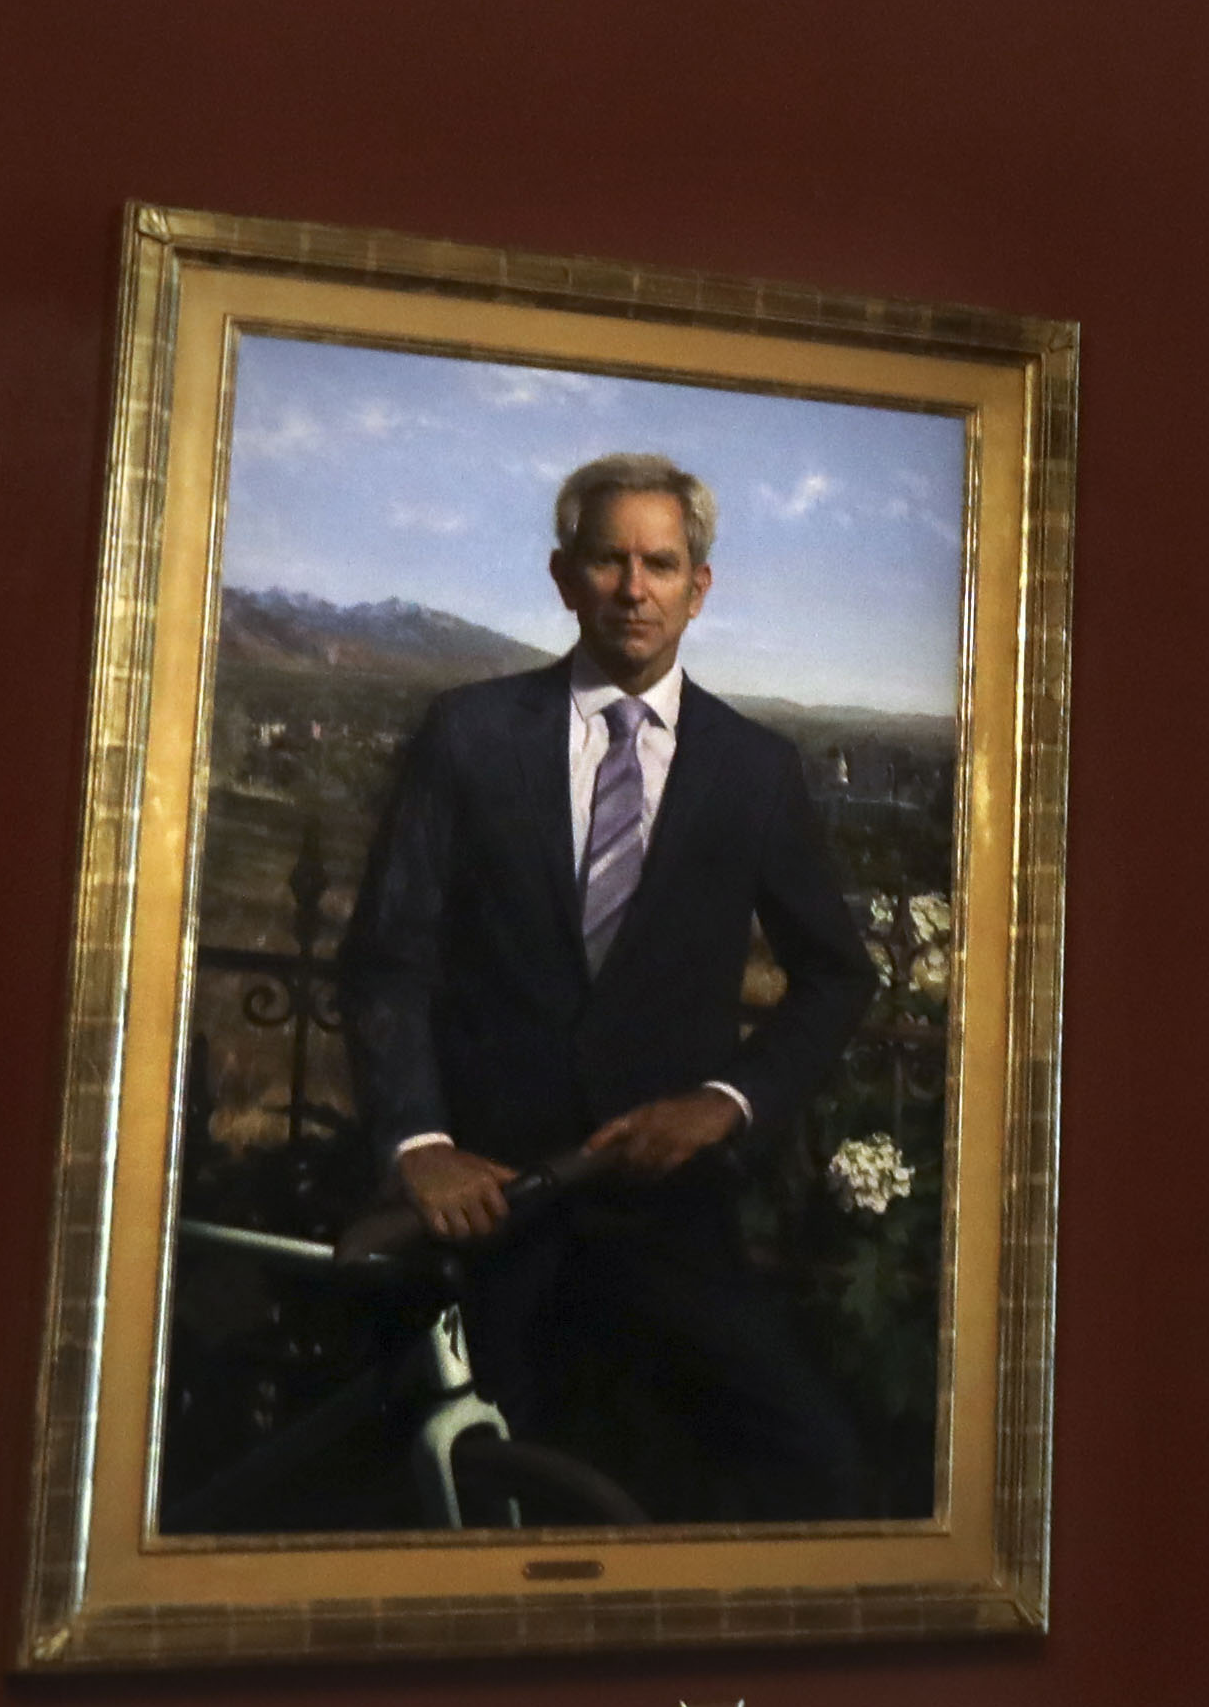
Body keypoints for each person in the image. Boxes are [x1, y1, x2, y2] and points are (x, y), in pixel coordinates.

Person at [337, 449, 884, 1520]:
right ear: (562, 575)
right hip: (492, 1213)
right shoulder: (470, 734)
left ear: (699, 586)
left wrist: (725, 1104)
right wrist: (419, 1146)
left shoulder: (755, 768)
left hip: (672, 1219)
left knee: (815, 1472)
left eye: (661, 564)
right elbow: (387, 958)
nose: (633, 588)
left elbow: (836, 976)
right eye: (608, 560)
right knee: (496, 1510)